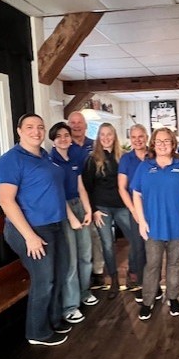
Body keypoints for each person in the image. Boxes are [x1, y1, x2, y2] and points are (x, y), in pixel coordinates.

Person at [0, 113, 73, 346]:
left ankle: (54, 320)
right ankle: (37, 332)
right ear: (19, 131)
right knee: (44, 280)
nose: (36, 131)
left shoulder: (45, 156)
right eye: (29, 127)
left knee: (60, 273)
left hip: (55, 225)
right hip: (32, 229)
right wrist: (30, 236)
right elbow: (6, 201)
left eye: (40, 127)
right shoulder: (11, 160)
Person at [132, 127, 179, 320]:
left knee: (175, 265)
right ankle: (148, 300)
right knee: (152, 265)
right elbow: (136, 194)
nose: (162, 144)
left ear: (173, 144)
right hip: (153, 226)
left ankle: (173, 297)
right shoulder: (144, 167)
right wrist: (141, 221)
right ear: (152, 144)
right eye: (158, 141)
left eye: (166, 141)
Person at [49, 122, 99, 325]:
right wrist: (71, 218)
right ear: (53, 140)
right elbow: (57, 193)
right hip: (63, 209)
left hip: (79, 204)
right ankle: (70, 306)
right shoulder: (50, 161)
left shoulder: (74, 157)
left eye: (66, 135)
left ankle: (84, 292)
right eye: (58, 136)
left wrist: (88, 210)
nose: (63, 139)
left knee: (86, 254)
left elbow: (81, 187)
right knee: (70, 259)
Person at [82, 123, 131, 299]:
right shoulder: (92, 159)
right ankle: (114, 281)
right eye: (102, 134)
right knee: (108, 245)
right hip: (102, 208)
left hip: (122, 206)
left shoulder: (123, 157)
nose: (106, 138)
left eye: (109, 134)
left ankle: (133, 274)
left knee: (136, 239)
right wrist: (93, 210)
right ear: (98, 137)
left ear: (114, 136)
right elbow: (87, 188)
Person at [67, 111, 105, 288]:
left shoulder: (94, 145)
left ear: (85, 126)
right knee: (79, 238)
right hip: (73, 198)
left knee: (96, 235)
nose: (76, 126)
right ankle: (82, 275)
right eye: (73, 123)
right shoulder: (64, 145)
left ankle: (98, 271)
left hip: (95, 195)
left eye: (79, 122)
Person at [118, 124, 149, 290]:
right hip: (136, 208)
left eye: (141, 136)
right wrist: (133, 210)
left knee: (155, 248)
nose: (137, 140)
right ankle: (143, 284)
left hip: (155, 207)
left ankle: (154, 283)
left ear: (147, 137)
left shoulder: (154, 154)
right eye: (134, 137)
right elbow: (122, 188)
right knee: (139, 248)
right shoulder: (126, 159)